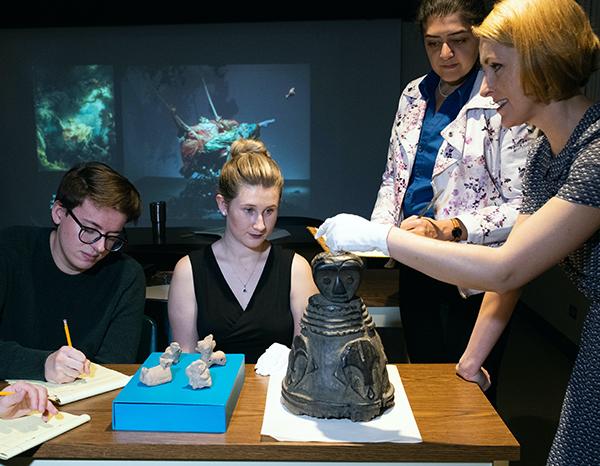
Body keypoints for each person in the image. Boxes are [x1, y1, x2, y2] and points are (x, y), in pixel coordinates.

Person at [317, 0, 600, 462]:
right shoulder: (549, 156)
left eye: (496, 67)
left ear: (541, 63)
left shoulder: (595, 154)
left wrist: (379, 237)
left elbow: (504, 268)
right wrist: (470, 362)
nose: (485, 87)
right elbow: (513, 273)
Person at [371, 0, 532, 396]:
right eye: (433, 43)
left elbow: (526, 206)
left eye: (458, 41)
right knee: (423, 377)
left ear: (479, 36)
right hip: (417, 257)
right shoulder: (414, 94)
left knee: (472, 387)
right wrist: (375, 237)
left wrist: (452, 228)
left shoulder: (501, 96)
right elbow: (395, 176)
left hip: (475, 268)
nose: (446, 54)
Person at [168, 138, 318, 363]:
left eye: (269, 211)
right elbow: (186, 363)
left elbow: (306, 361)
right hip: (212, 395)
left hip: (278, 395)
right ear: (222, 205)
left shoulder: (297, 269)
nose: (260, 224)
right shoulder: (188, 271)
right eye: (249, 210)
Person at [0, 162, 145, 383]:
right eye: (89, 230)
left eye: (112, 237)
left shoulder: (125, 275)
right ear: (59, 213)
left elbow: (114, 368)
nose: (99, 247)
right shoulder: (9, 251)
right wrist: (42, 364)